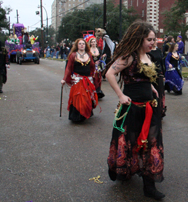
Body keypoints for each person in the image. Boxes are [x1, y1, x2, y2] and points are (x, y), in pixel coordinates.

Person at [104, 21, 165, 200]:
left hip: (149, 109)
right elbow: (109, 74)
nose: (153, 43)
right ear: (139, 39)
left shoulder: (149, 57)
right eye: (149, 40)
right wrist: (120, 95)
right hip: (131, 109)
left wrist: (151, 88)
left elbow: (145, 78)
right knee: (127, 142)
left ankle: (149, 186)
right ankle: (117, 168)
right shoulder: (129, 57)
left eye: (154, 40)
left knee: (151, 144)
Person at [61, 38, 98, 122]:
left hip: (88, 80)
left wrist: (94, 76)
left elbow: (92, 67)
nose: (82, 45)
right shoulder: (73, 55)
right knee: (78, 98)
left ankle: (85, 114)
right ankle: (77, 117)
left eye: (83, 44)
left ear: (85, 45)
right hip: (78, 80)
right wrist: (64, 79)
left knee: (87, 98)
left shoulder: (89, 54)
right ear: (77, 46)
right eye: (80, 44)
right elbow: (68, 68)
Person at [148, 37, 167, 118]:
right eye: (152, 40)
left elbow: (162, 62)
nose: (154, 42)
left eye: (155, 40)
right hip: (151, 74)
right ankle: (152, 110)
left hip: (159, 74)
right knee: (152, 93)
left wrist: (164, 74)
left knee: (159, 93)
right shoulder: (148, 51)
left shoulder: (159, 50)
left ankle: (159, 111)